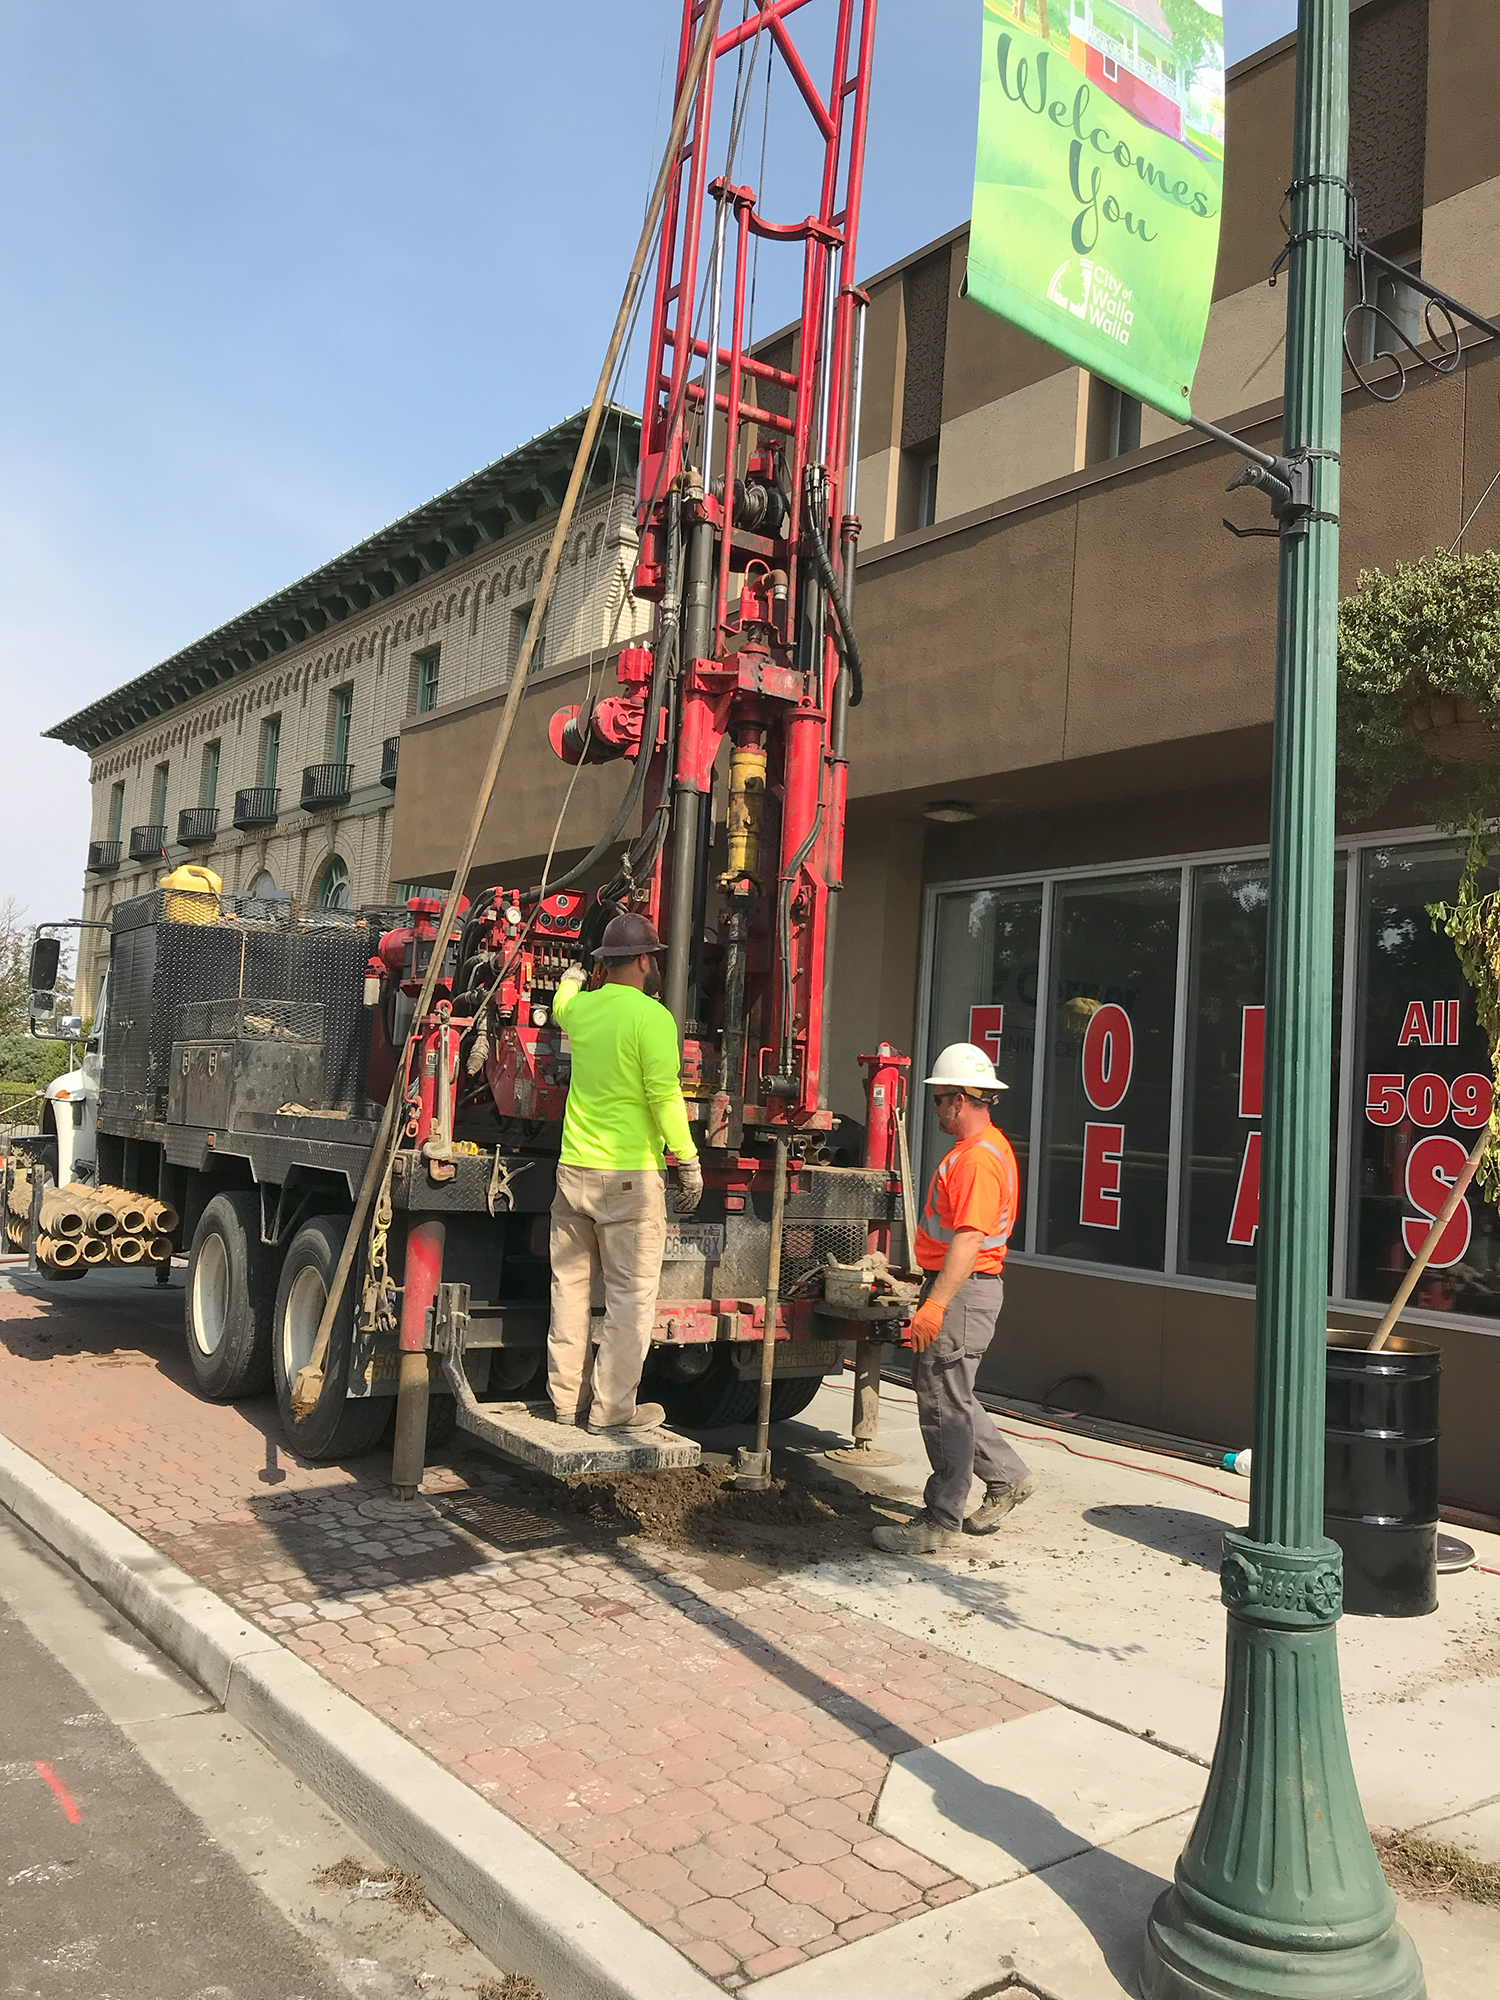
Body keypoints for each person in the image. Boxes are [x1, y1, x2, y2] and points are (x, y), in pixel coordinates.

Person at [872, 1042, 1034, 1556]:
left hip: (963, 1291)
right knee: (954, 1397)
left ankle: (941, 1519)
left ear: (961, 1100)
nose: (937, 1109)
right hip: (967, 1290)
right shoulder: (985, 1150)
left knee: (941, 1402)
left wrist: (936, 1303)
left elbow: (967, 1240)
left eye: (941, 1099)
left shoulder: (977, 1161)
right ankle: (1008, 1476)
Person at [547, 912, 703, 1431]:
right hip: (630, 1179)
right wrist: (688, 1159)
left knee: (569, 1290)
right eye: (652, 957)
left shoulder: (583, 1010)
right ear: (643, 961)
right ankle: (611, 1411)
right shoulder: (653, 1019)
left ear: (604, 965)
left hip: (573, 1173)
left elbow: (560, 1005)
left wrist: (570, 975)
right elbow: (664, 1095)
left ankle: (566, 1402)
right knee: (629, 1300)